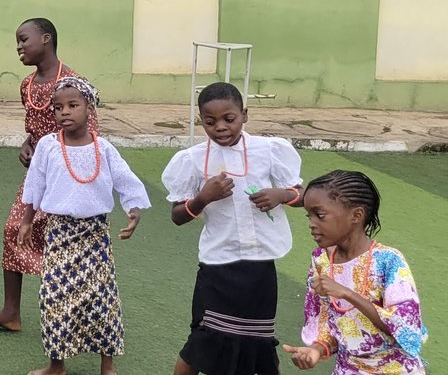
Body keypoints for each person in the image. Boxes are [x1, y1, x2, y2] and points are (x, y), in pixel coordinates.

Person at [162, 82, 305, 375]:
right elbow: (176, 216)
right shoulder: (192, 160)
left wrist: (281, 195)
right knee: (202, 340)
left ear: (245, 115)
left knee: (259, 342)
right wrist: (203, 198)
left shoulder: (268, 150)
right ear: (201, 120)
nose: (221, 128)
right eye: (210, 122)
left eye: (230, 119)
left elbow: (304, 196)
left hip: (260, 265)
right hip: (218, 265)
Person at [18, 77, 150, 375]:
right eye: (57, 108)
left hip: (95, 237)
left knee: (102, 300)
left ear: (89, 108)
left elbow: (126, 181)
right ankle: (56, 364)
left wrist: (134, 211)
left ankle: (108, 364)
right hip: (59, 235)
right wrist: (26, 221)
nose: (64, 112)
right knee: (53, 299)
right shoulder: (48, 147)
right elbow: (34, 184)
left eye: (72, 105)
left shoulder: (104, 149)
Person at [0, 17, 79, 332]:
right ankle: (11, 312)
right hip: (37, 177)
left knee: (65, 244)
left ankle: (73, 316)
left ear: (46, 39)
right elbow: (33, 129)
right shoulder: (27, 84)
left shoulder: (71, 82)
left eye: (24, 39)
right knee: (13, 230)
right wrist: (26, 145)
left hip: (67, 178)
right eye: (17, 41)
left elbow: (88, 131)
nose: (19, 46)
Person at [283, 170, 426, 373]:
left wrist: (347, 293)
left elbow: (406, 329)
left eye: (320, 215)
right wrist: (316, 349)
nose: (311, 224)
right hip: (347, 369)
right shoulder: (321, 260)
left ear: (356, 215)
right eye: (309, 216)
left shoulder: (388, 260)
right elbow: (326, 322)